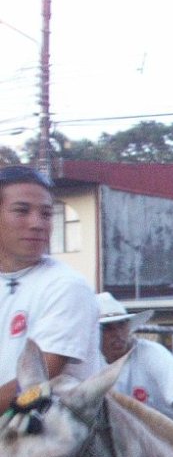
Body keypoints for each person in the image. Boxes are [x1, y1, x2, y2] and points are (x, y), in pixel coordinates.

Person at [0, 165, 100, 408]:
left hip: (45, 438)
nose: (37, 223)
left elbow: (33, 385)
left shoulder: (66, 286)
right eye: (22, 211)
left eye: (46, 214)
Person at [98, 292, 173, 430]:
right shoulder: (91, 363)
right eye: (108, 328)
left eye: (121, 325)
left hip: (166, 439)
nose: (117, 334)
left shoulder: (153, 353)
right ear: (94, 333)